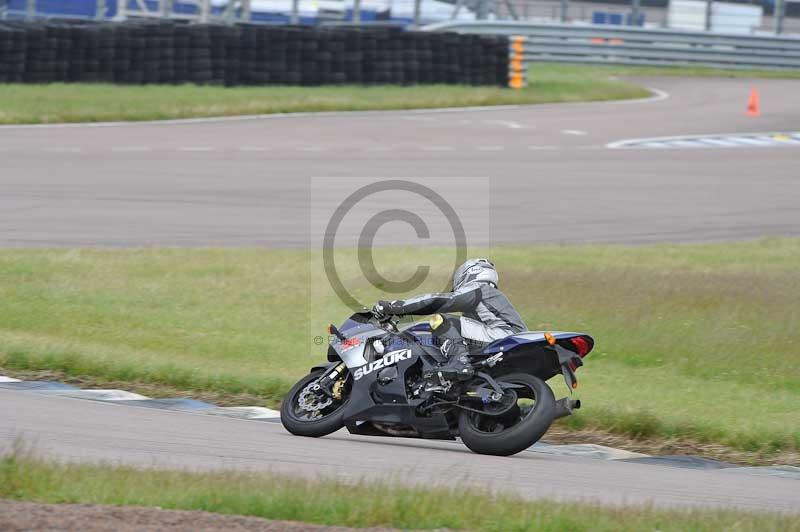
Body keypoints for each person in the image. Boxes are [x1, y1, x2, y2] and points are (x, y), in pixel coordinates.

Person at [372, 258, 526, 380]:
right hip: (507, 340)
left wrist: (397, 307)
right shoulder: (488, 300)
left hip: (504, 336)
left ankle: (459, 362)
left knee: (439, 320)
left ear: (469, 274)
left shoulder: (479, 289)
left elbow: (439, 301)